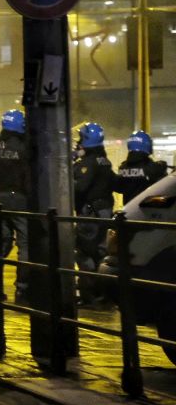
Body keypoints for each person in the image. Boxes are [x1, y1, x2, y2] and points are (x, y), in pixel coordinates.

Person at [0, 110, 31, 301]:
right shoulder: (24, 149)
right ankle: (22, 289)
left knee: (0, 243)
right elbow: (29, 179)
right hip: (19, 201)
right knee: (25, 245)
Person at [73, 122, 115, 307]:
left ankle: (89, 295)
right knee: (101, 252)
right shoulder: (104, 161)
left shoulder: (87, 163)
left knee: (83, 252)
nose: (78, 142)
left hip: (90, 214)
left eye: (81, 138)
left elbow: (79, 187)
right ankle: (103, 295)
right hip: (104, 211)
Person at [115, 130, 167, 205]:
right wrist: (162, 165)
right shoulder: (152, 167)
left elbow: (120, 188)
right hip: (146, 212)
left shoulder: (123, 167)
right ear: (147, 144)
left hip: (128, 210)